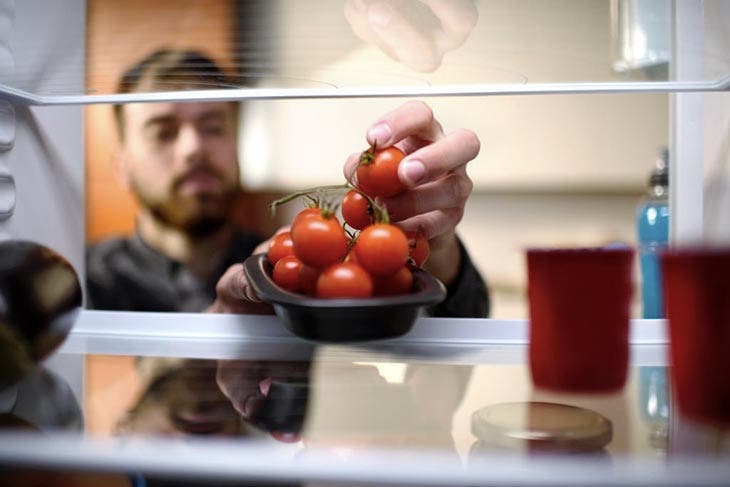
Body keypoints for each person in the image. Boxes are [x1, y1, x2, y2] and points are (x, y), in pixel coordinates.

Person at [86, 48, 489, 318]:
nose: (194, 149)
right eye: (163, 131)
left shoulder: (289, 266)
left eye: (213, 127)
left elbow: (468, 321)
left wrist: (430, 243)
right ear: (120, 166)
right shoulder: (88, 281)